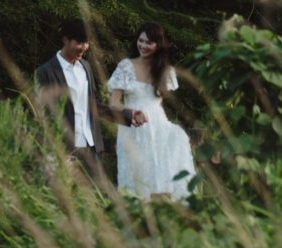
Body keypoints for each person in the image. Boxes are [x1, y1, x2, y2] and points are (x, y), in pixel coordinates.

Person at [36, 17, 146, 179]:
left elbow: (94, 106)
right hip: (65, 150)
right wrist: (55, 152)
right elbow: (44, 115)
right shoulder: (45, 71)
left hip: (92, 148)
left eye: (87, 42)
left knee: (94, 199)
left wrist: (128, 115)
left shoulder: (85, 68)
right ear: (65, 40)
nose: (84, 47)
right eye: (79, 42)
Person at [108, 21, 196, 200]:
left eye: (149, 42)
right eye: (141, 40)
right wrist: (131, 112)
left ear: (158, 45)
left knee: (163, 173)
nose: (143, 45)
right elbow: (114, 103)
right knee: (136, 177)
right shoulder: (126, 66)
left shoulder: (165, 70)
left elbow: (157, 104)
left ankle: (164, 216)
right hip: (133, 126)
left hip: (158, 126)